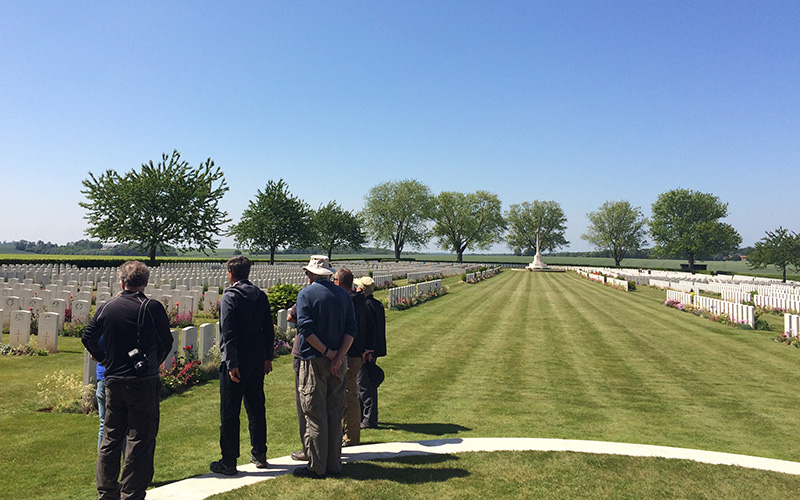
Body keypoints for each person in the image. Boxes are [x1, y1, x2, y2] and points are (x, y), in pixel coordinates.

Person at [82, 261, 172, 500]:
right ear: (145, 282)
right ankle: (131, 493)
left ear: (121, 282)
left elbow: (88, 336)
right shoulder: (151, 307)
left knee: (111, 438)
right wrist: (152, 363)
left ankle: (107, 492)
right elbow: (167, 341)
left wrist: (104, 359)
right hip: (142, 382)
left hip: (113, 381)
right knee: (140, 438)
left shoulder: (106, 307)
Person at [211, 256, 275, 476]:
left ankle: (229, 461)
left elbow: (227, 332)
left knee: (230, 411)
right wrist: (268, 356)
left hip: (236, 362)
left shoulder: (230, 297)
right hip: (257, 359)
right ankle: (260, 454)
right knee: (256, 408)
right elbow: (268, 328)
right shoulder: (260, 295)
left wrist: (231, 362)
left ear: (231, 272)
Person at [293, 255, 356, 478]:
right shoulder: (343, 294)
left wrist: (328, 353)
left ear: (310, 274)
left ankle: (317, 467)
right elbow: (351, 330)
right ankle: (334, 464)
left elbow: (306, 331)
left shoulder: (306, 294)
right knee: (335, 412)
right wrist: (339, 357)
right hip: (340, 361)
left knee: (315, 413)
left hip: (313, 360)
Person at [334, 268, 371, 447]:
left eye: (334, 280)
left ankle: (351, 437)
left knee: (348, 397)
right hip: (357, 351)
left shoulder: (349, 301)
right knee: (348, 395)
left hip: (350, 353)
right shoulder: (359, 300)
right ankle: (346, 433)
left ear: (340, 283)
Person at [355, 276, 387, 429]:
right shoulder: (376, 304)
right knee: (364, 383)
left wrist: (368, 350)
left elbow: (370, 330)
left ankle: (369, 419)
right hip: (374, 350)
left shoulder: (366, 305)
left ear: (361, 289)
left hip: (368, 351)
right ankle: (363, 415)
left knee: (364, 384)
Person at [287, 303, 309, 462]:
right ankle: (328, 448)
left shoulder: (305, 296)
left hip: (304, 352)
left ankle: (308, 449)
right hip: (331, 354)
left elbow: (290, 317)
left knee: (304, 404)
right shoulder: (339, 295)